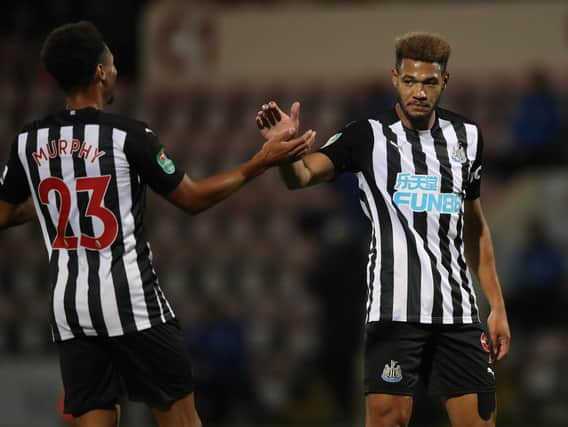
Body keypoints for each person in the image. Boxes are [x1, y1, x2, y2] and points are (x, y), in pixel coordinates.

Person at [0, 21, 315, 427]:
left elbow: (5, 212)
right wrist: (261, 162)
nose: (114, 69)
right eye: (111, 62)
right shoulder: (127, 135)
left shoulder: (28, 141)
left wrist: (46, 202)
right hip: (130, 301)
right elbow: (193, 199)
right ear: (99, 72)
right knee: (183, 422)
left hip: (70, 308)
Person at [256, 32, 510, 427]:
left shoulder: (468, 137)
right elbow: (302, 176)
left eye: (429, 82)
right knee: (388, 420)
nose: (419, 92)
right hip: (394, 312)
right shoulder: (367, 135)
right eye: (410, 81)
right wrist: (286, 152)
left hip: (458, 312)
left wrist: (496, 306)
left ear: (446, 82)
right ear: (395, 78)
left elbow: (474, 226)